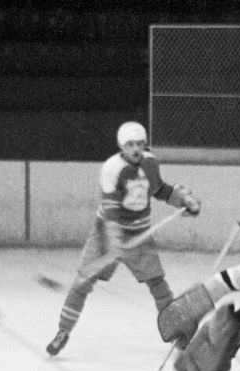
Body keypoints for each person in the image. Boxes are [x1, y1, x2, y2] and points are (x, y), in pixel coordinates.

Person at [45, 121, 201, 356]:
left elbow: (160, 190)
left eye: (140, 144)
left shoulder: (150, 162)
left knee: (158, 284)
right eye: (130, 145)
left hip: (140, 234)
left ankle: (176, 332)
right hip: (107, 234)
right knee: (82, 282)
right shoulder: (112, 168)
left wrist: (182, 201)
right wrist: (115, 240)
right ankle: (63, 331)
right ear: (122, 146)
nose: (136, 149)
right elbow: (110, 210)